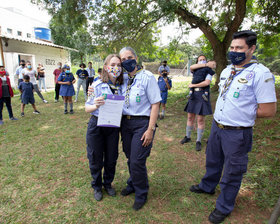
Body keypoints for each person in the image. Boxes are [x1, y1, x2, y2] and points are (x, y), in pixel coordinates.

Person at [189, 30, 277, 224]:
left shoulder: (261, 74)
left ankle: (224, 206)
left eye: (240, 48)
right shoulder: (228, 70)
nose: (234, 51)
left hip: (237, 133)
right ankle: (207, 186)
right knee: (212, 160)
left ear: (251, 49)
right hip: (218, 126)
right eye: (232, 47)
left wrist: (242, 112)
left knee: (232, 171)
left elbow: (269, 110)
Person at [119, 47, 161, 211]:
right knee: (130, 157)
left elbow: (155, 103)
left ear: (135, 57)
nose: (127, 61)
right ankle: (133, 183)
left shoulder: (147, 77)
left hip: (142, 124)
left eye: (129, 57)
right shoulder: (121, 78)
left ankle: (141, 193)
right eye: (123, 59)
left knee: (137, 160)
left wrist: (150, 129)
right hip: (125, 123)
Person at [85, 54, 123, 201]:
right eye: (112, 65)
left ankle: (108, 184)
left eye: (119, 65)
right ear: (106, 67)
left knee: (111, 157)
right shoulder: (97, 85)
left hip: (113, 126)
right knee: (95, 157)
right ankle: (97, 186)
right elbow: (87, 108)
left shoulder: (123, 86)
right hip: (97, 125)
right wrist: (96, 104)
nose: (116, 68)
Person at [180, 56, 216, 151]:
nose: (202, 61)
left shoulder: (209, 71)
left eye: (204, 59)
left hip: (202, 95)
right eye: (200, 60)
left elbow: (207, 82)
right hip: (193, 95)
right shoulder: (195, 70)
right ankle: (187, 137)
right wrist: (205, 64)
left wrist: (194, 85)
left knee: (200, 119)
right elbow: (191, 67)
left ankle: (198, 141)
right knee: (190, 117)